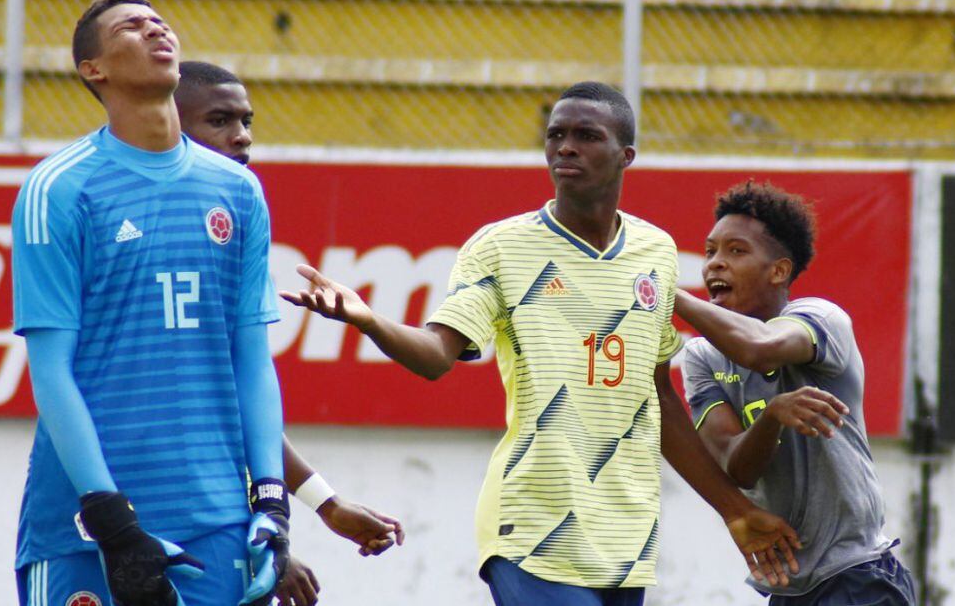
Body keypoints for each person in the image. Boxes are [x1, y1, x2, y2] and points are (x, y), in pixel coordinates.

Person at [280, 82, 802, 606]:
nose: (565, 147)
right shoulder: (501, 246)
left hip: (626, 536)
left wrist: (733, 509)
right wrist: (369, 320)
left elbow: (659, 398)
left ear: (626, 156)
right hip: (532, 526)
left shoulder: (655, 251)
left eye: (585, 135)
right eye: (556, 135)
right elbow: (437, 355)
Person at [12, 0, 291, 606]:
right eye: (132, 27)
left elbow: (251, 356)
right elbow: (52, 371)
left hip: (216, 523)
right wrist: (111, 519)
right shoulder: (58, 189)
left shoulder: (239, 190)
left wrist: (272, 496)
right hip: (86, 527)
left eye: (160, 22)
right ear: (94, 69)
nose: (155, 31)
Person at [173, 59, 406, 606]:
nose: (243, 136)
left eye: (247, 120)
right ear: (168, 122)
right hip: (125, 519)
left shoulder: (236, 225)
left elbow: (230, 406)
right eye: (220, 121)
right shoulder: (110, 210)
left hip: (214, 521)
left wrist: (319, 508)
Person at [676, 181, 916, 605]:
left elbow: (759, 348)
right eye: (710, 250)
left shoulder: (820, 318)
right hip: (788, 587)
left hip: (859, 576)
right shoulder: (701, 358)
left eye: (736, 251)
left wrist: (663, 295)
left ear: (779, 270)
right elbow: (736, 467)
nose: (714, 264)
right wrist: (771, 417)